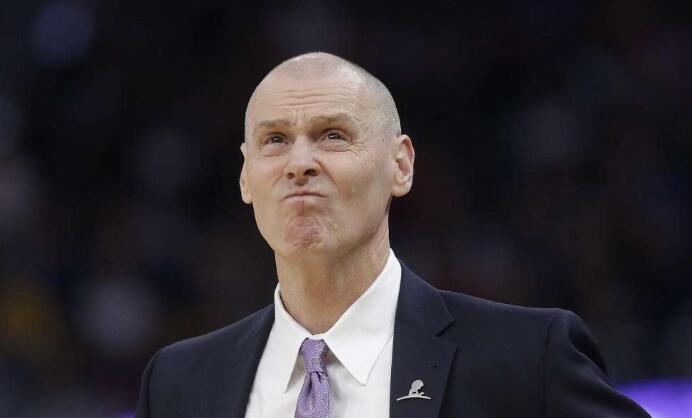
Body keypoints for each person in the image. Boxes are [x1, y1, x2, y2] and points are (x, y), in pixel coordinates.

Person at [135, 52, 651, 418]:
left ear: (400, 165)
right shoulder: (179, 383)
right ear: (246, 177)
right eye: (275, 140)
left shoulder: (528, 359)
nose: (299, 163)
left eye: (332, 135)